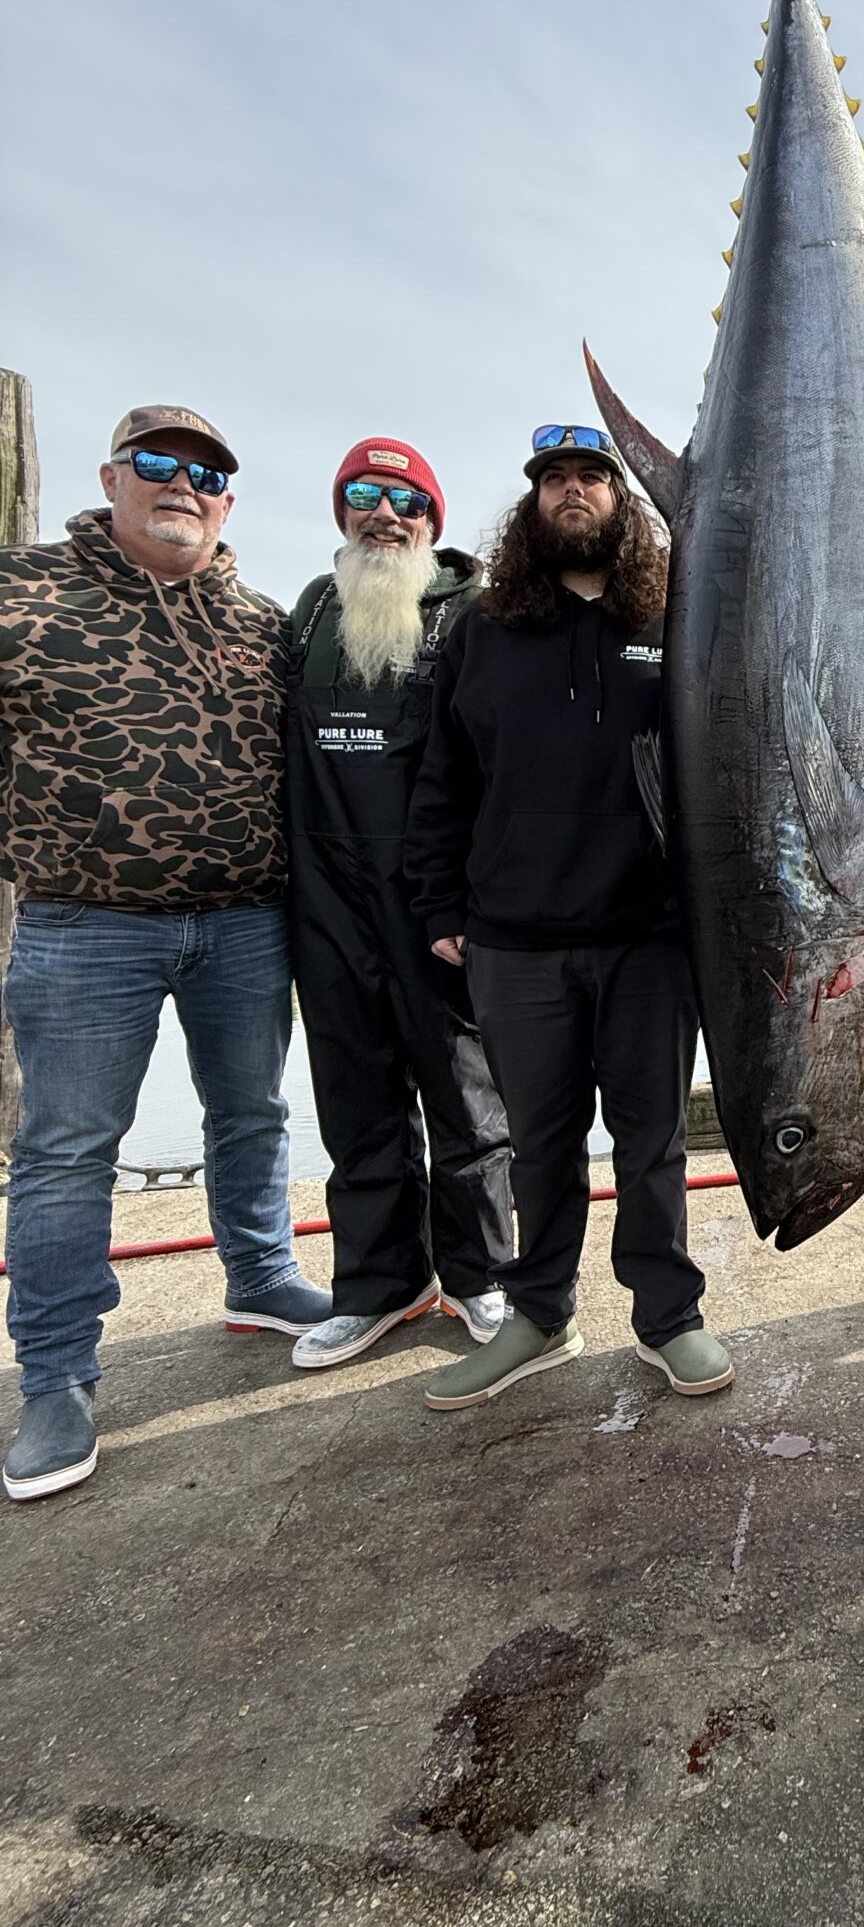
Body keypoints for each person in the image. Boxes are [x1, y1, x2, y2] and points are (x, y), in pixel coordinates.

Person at [0, 407, 329, 1503]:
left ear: (227, 502)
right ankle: (56, 1376)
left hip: (243, 918)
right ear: (112, 477)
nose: (182, 483)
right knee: (65, 1150)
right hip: (85, 923)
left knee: (254, 1113)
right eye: (158, 464)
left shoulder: (262, 619)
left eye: (205, 474)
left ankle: (263, 1275)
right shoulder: (24, 589)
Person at [404, 423, 730, 1408]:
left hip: (650, 937)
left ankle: (667, 1316)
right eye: (555, 480)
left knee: (653, 1142)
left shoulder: (674, 612)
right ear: (531, 504)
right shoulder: (481, 627)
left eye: (593, 475)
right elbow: (440, 776)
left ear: (623, 501)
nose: (574, 492)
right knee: (539, 1143)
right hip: (515, 941)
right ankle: (539, 1311)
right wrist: (438, 901)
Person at [285, 438, 513, 1371]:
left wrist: (464, 900)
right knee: (354, 1095)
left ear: (434, 521)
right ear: (343, 512)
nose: (387, 514)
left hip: (432, 903)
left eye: (406, 500)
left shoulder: (475, 615)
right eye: (366, 496)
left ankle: (481, 1274)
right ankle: (380, 1285)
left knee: (464, 1096)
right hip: (325, 897)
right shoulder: (305, 615)